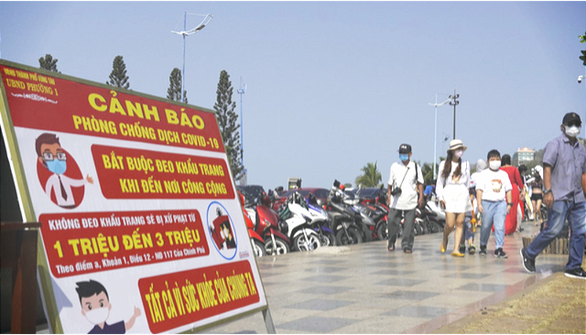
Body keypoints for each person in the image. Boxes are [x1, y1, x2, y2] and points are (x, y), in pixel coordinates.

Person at [521, 112, 586, 279]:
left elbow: (584, 173)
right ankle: (529, 252)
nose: (574, 127)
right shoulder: (555, 144)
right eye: (570, 124)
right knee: (554, 230)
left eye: (577, 124)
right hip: (559, 196)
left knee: (579, 232)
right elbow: (547, 168)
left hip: (578, 197)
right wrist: (548, 191)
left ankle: (574, 266)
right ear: (562, 127)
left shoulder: (581, 148)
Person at [36, 133, 93, 208]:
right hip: (61, 205)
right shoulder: (51, 180)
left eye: (59, 155)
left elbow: (74, 182)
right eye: (49, 156)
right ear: (41, 160)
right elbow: (47, 192)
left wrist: (86, 180)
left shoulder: (64, 178)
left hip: (72, 204)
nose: (56, 159)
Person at [436, 139, 472, 257]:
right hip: (449, 193)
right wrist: (440, 196)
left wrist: (467, 195)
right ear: (452, 151)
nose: (460, 151)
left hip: (462, 192)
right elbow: (440, 182)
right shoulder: (444, 164)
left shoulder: (466, 164)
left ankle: (456, 248)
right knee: (450, 224)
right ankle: (445, 237)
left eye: (461, 149)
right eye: (457, 149)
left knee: (460, 222)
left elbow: (467, 181)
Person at [387, 143, 424, 253]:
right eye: (401, 153)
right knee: (391, 221)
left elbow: (420, 183)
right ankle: (391, 242)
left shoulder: (416, 167)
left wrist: (421, 197)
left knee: (409, 225)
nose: (403, 155)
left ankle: (407, 245)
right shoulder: (394, 166)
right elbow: (389, 184)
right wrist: (389, 196)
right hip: (396, 201)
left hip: (410, 201)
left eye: (405, 153)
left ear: (410, 154)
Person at [476, 149, 513, 258]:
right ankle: (483, 244)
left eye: (497, 159)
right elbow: (479, 190)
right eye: (493, 159)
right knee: (486, 226)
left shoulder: (504, 174)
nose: (495, 161)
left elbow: (508, 189)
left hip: (500, 203)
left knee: (500, 226)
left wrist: (509, 204)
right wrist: (479, 204)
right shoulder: (483, 174)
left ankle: (499, 248)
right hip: (487, 203)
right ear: (488, 161)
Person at [75, 279, 141, 334]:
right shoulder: (92, 333)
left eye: (101, 304)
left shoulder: (113, 329)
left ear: (109, 306)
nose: (96, 310)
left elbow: (127, 325)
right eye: (90, 307)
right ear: (83, 312)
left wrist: (135, 316)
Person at [500, 154, 524, 234]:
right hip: (513, 189)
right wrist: (522, 190)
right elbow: (519, 181)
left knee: (502, 209)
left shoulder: (499, 170)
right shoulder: (514, 169)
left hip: (502, 189)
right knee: (515, 210)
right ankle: (515, 227)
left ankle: (503, 227)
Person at [471, 159, 487, 228]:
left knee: (475, 210)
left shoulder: (473, 175)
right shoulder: (487, 174)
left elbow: (471, 185)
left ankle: (476, 222)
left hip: (475, 194)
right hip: (485, 195)